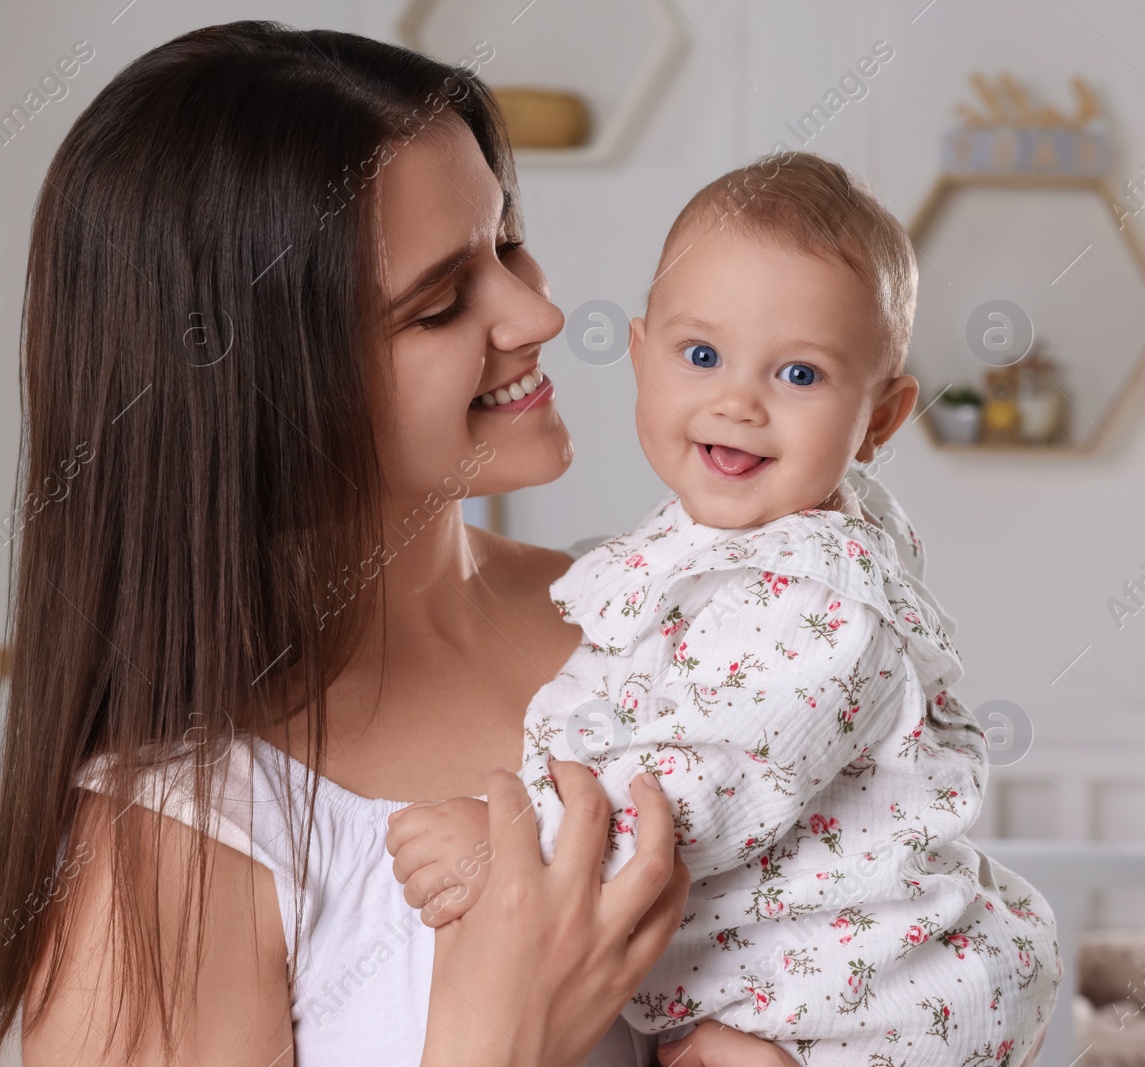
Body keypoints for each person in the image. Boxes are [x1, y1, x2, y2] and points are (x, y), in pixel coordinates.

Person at [0, 21, 788, 1067]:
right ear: (261, 391)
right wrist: (505, 1041)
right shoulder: (162, 848)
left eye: (506, 243)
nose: (538, 312)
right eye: (439, 305)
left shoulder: (658, 626)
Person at [386, 154, 1062, 1065]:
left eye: (799, 375)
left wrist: (516, 838)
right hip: (763, 995)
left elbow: (701, 785)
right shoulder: (689, 544)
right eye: (701, 356)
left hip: (867, 1003)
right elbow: (610, 697)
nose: (737, 401)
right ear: (640, 357)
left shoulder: (823, 599)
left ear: (881, 420)